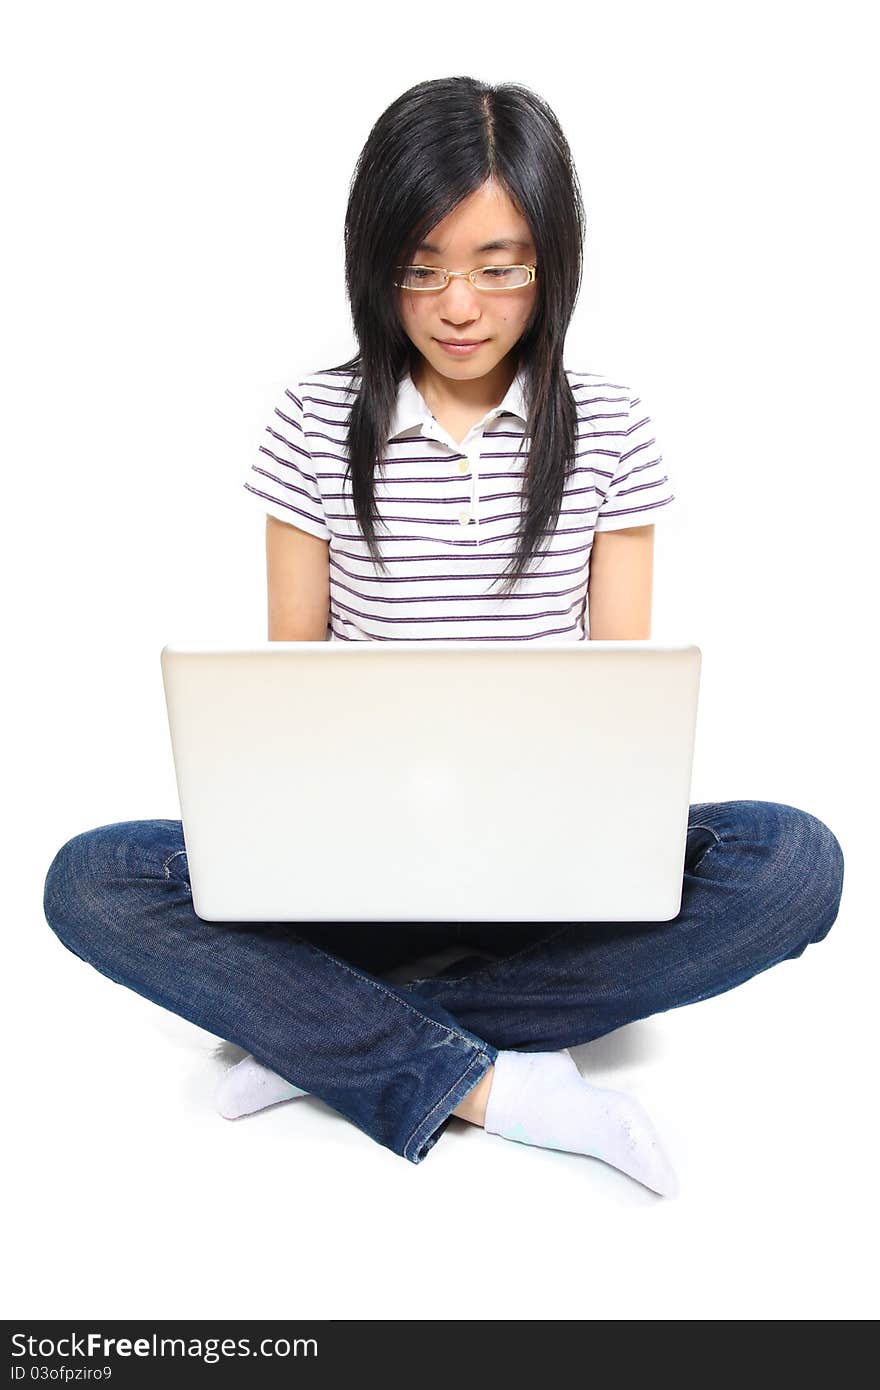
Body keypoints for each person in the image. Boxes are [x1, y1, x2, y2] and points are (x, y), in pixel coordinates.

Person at [41, 77, 845, 1197]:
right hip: (355, 877)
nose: (457, 305)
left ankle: (336, 1043)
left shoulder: (607, 424)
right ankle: (498, 1079)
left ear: (552, 258)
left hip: (549, 876)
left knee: (794, 861)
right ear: (374, 264)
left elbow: (625, 708)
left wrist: (584, 821)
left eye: (497, 265)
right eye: (421, 267)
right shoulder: (314, 423)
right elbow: (288, 701)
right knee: (90, 879)